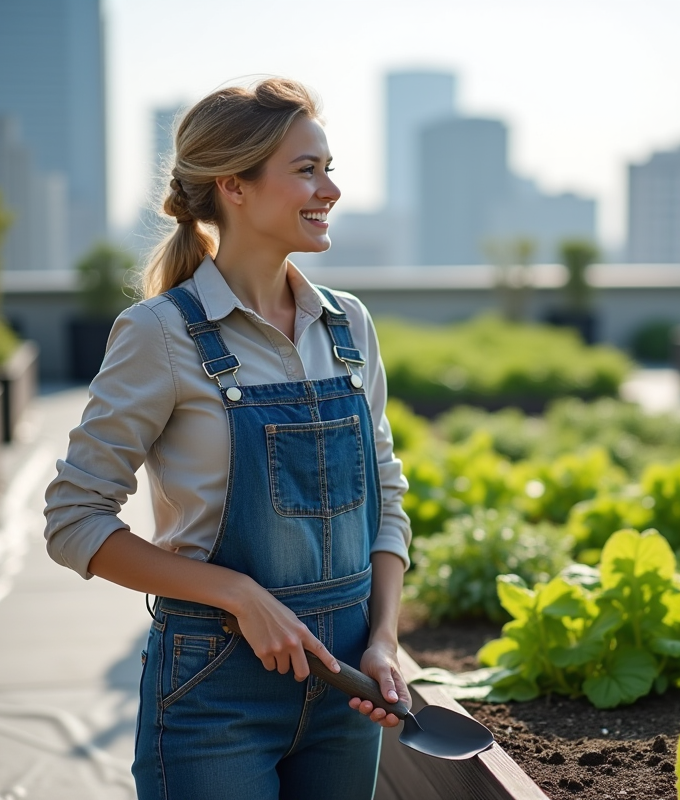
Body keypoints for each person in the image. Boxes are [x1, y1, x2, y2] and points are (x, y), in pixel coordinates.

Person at [43, 77, 412, 800]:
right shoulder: (159, 334)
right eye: (307, 170)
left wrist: (384, 637)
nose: (330, 189)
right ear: (232, 187)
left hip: (348, 691)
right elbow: (73, 520)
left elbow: (387, 498)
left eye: (329, 168)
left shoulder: (349, 328)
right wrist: (237, 594)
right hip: (216, 696)